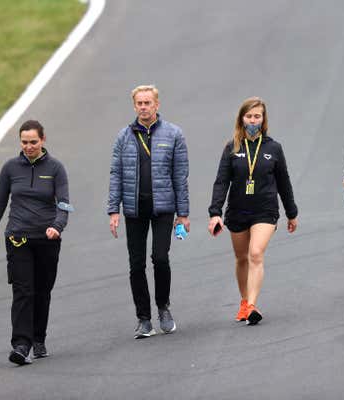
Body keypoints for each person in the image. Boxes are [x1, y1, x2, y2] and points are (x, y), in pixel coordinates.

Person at [0, 120, 71, 365]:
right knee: (23, 291)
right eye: (24, 142)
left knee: (42, 292)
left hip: (47, 239)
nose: (29, 146)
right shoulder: (10, 168)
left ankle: (38, 338)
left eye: (33, 142)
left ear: (43, 140)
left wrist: (57, 225)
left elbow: (64, 203)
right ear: (19, 142)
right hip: (18, 237)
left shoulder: (55, 168)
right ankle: (21, 344)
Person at [107, 85, 190, 338]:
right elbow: (116, 174)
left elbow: (180, 176)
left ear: (157, 105)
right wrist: (113, 210)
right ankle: (143, 318)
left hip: (163, 208)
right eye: (139, 103)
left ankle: (163, 307)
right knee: (136, 264)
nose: (143, 107)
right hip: (134, 209)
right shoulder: (123, 136)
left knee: (160, 258)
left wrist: (183, 214)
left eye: (148, 103)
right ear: (134, 106)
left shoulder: (174, 134)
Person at [208, 97, 298, 325]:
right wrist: (215, 212)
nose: (253, 120)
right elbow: (221, 182)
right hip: (238, 211)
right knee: (241, 259)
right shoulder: (232, 148)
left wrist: (291, 212)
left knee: (255, 253)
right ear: (241, 118)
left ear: (263, 119)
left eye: (257, 116)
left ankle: (252, 306)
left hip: (265, 211)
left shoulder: (273, 148)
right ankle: (244, 300)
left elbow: (284, 182)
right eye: (249, 116)